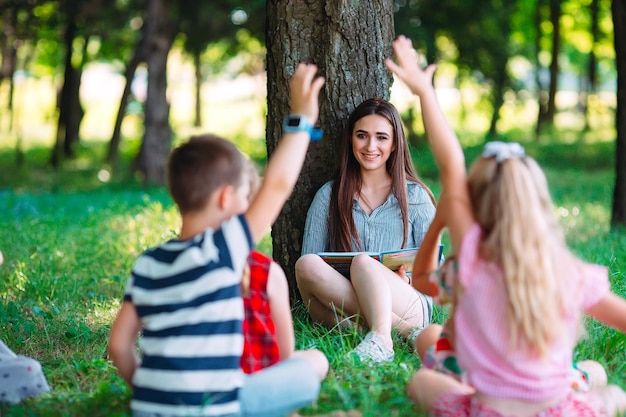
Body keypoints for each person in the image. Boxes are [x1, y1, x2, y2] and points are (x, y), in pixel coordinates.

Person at [386, 35, 626, 416]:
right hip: (558, 412)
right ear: (540, 205)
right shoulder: (568, 273)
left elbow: (452, 168)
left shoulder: (473, 261)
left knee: (421, 382)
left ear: (476, 208)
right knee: (600, 383)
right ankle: (603, 399)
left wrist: (425, 93)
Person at [108, 63, 326, 417]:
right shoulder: (222, 249)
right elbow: (278, 185)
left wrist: (152, 395)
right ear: (226, 199)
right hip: (221, 408)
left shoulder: (148, 264)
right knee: (309, 370)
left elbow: (119, 345)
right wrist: (301, 118)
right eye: (244, 197)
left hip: (150, 409)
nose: (248, 206)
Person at [295, 96, 437, 364]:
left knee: (363, 262)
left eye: (382, 137)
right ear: (351, 139)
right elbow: (312, 269)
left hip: (406, 301)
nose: (371, 146)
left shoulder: (416, 197)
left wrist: (407, 279)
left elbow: (435, 272)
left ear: (395, 144)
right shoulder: (329, 195)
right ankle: (399, 335)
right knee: (305, 264)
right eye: (362, 135)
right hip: (344, 293)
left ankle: (382, 337)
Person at [240, 160, 328, 378]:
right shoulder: (262, 271)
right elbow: (285, 357)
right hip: (248, 392)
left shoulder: (153, 264)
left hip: (170, 400)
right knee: (317, 359)